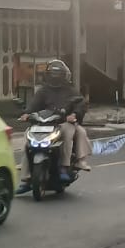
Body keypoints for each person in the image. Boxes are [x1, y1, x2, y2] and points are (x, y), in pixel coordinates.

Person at [16, 60, 91, 194]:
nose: (55, 77)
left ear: (64, 75)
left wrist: (74, 114)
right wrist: (27, 114)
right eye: (52, 74)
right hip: (44, 123)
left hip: (63, 122)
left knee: (68, 132)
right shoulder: (43, 91)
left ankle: (64, 167)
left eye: (58, 74)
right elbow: (34, 105)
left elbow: (80, 104)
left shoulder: (71, 91)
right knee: (28, 136)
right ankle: (26, 178)